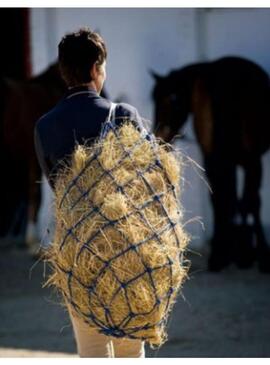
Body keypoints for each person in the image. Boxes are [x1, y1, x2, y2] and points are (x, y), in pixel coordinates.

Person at [34, 27, 146, 358]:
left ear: (63, 71)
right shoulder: (123, 115)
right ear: (97, 69)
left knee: (92, 352)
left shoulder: (43, 126)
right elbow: (148, 183)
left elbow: (55, 183)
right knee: (130, 353)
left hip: (77, 255)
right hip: (126, 253)